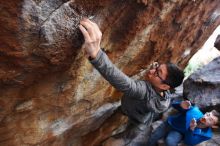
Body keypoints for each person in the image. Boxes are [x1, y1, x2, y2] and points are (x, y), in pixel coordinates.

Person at [79, 18, 184, 145]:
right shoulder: (165, 96)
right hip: (141, 118)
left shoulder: (144, 92)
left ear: (165, 85)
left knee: (112, 143)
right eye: (157, 66)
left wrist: (96, 54)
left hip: (137, 124)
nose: (151, 71)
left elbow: (126, 84)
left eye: (157, 73)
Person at [146, 100, 220, 146]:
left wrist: (191, 129)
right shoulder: (195, 111)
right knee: (153, 137)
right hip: (171, 123)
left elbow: (189, 142)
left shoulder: (206, 134)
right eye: (207, 115)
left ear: (214, 126)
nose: (206, 118)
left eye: (210, 120)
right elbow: (175, 105)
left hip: (179, 132)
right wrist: (181, 104)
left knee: (170, 142)